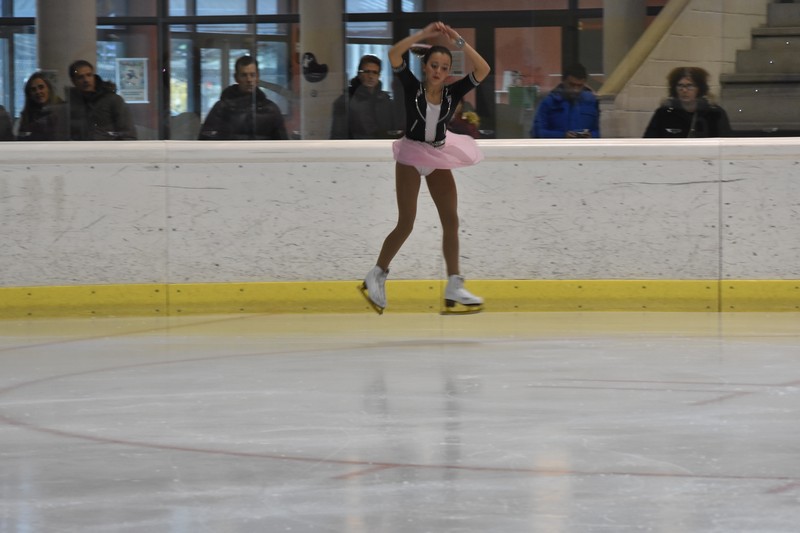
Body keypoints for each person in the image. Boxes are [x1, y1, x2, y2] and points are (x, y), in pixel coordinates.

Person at [359, 21, 491, 314]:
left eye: (444, 67)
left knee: (451, 221)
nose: (438, 71)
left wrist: (459, 41)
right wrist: (422, 36)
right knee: (406, 222)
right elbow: (394, 54)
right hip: (410, 156)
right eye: (434, 65)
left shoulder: (452, 93)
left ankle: (454, 282)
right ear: (426, 66)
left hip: (437, 156)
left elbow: (483, 70)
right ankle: (377, 273)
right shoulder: (411, 86)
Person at [199, 55, 288, 140]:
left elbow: (283, 146)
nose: (249, 80)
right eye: (244, 75)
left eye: (252, 75)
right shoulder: (222, 109)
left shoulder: (271, 109)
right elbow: (205, 142)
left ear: (257, 77)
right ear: (236, 78)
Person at [644, 66, 731, 138]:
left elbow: (726, 144)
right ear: (674, 88)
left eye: (690, 86)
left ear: (699, 88)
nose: (684, 90)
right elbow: (649, 142)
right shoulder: (664, 113)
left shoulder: (714, 113)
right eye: (680, 86)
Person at [330, 54, 402, 139]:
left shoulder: (386, 101)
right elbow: (338, 137)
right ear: (359, 74)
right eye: (367, 71)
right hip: (356, 150)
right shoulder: (345, 101)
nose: (371, 76)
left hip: (382, 149)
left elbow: (394, 132)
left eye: (375, 72)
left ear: (379, 76)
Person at [68, 59, 137, 140]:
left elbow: (128, 134)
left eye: (89, 75)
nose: (86, 80)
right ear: (73, 81)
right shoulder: (71, 104)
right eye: (80, 77)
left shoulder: (113, 100)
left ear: (94, 76)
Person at [531, 63, 599, 139]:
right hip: (557, 149)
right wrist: (562, 136)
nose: (575, 90)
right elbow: (537, 132)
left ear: (584, 83)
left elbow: (604, 132)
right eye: (571, 85)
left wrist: (592, 135)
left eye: (580, 86)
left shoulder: (592, 102)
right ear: (563, 81)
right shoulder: (549, 102)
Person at [18, 72, 68, 141]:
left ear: (48, 89)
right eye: (33, 89)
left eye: (41, 87)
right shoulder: (27, 116)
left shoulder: (62, 110)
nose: (38, 92)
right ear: (29, 95)